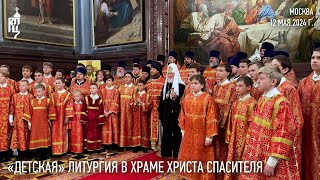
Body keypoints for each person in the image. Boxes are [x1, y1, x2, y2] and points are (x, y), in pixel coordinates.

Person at [239, 66, 297, 179]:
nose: (257, 81)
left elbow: (282, 133)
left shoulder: (281, 103)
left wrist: (272, 161)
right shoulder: (262, 98)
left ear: (273, 81)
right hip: (255, 153)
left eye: (261, 78)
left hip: (268, 156)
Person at [178, 74, 218, 180]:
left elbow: (211, 118)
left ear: (202, 85)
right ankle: (187, 175)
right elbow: (183, 114)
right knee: (188, 155)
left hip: (202, 134)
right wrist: (183, 130)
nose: (193, 85)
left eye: (196, 83)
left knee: (201, 156)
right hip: (188, 133)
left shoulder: (207, 98)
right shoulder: (187, 97)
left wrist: (209, 136)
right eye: (191, 83)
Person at [271, 56, 304, 179]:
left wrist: (289, 140)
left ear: (284, 70)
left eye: (275, 67)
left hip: (286, 138)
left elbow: (296, 117)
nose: (271, 69)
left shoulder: (288, 88)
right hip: (273, 135)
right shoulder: (274, 87)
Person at [225, 76, 257, 180]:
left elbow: (253, 126)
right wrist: (229, 137)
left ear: (248, 87)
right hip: (234, 139)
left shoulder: (253, 103)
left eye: (240, 86)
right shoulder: (236, 103)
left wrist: (249, 143)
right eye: (236, 86)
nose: (237, 88)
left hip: (245, 140)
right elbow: (230, 121)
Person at [298, 48, 320, 180]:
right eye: (313, 58)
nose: (315, 61)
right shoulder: (303, 82)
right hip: (307, 131)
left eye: (318, 58)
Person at [159, 63, 185, 158]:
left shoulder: (181, 86)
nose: (169, 75)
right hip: (166, 114)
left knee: (177, 133)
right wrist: (161, 114)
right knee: (166, 132)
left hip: (177, 114)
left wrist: (176, 98)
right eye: (168, 73)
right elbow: (161, 101)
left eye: (172, 73)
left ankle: (177, 153)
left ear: (176, 74)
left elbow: (183, 102)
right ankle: (166, 152)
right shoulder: (165, 86)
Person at [213, 64, 237, 163]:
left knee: (223, 148)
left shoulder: (232, 87)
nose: (217, 72)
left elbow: (232, 105)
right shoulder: (215, 87)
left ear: (227, 73)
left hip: (226, 123)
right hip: (214, 121)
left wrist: (223, 121)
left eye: (221, 71)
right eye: (217, 70)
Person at [26, 84, 56, 160]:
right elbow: (29, 112)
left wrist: (50, 119)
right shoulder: (32, 101)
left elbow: (51, 111)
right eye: (36, 92)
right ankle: (38, 154)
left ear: (44, 92)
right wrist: (29, 122)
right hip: (35, 123)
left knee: (45, 136)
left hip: (44, 123)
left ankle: (46, 153)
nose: (37, 93)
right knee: (36, 136)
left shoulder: (48, 101)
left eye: (39, 91)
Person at [9, 80, 33, 160]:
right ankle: (19, 154)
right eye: (20, 86)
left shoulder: (30, 96)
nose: (21, 87)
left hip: (26, 121)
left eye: (23, 85)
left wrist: (30, 121)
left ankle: (26, 153)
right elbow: (12, 107)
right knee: (18, 136)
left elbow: (31, 109)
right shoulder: (15, 96)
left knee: (26, 136)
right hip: (17, 121)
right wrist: (11, 117)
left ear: (28, 86)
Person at [51, 78, 74, 156]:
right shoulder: (53, 94)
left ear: (63, 84)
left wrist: (67, 117)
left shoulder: (68, 94)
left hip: (63, 116)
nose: (57, 85)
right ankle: (55, 150)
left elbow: (69, 106)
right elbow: (51, 106)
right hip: (55, 116)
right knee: (54, 133)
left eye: (59, 83)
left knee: (63, 132)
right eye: (56, 83)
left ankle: (63, 149)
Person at [146, 61, 165, 150]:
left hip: (158, 107)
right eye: (151, 69)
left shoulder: (163, 80)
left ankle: (159, 144)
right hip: (149, 107)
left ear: (158, 70)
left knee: (158, 126)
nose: (151, 71)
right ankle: (150, 144)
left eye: (153, 69)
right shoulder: (148, 81)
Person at [131, 79, 151, 152]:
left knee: (144, 129)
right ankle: (136, 145)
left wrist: (142, 103)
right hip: (136, 115)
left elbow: (149, 105)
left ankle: (144, 146)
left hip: (143, 115)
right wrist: (135, 103)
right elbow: (131, 104)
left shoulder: (147, 95)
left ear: (144, 86)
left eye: (141, 85)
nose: (139, 87)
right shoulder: (134, 95)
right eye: (138, 85)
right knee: (136, 128)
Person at [100, 75, 120, 151]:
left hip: (112, 112)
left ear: (112, 81)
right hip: (104, 112)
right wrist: (104, 111)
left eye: (110, 80)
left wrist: (110, 111)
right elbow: (101, 101)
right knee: (105, 128)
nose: (108, 82)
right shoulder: (102, 90)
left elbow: (116, 101)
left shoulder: (116, 90)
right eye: (107, 80)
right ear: (105, 82)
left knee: (113, 127)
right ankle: (105, 144)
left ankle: (113, 144)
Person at [0, 70, 16, 162]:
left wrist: (11, 115)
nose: (0, 79)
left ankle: (7, 153)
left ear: (6, 78)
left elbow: (13, 103)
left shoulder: (10, 88)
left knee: (7, 134)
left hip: (6, 115)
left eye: (1, 77)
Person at [84, 83, 104, 152]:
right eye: (90, 88)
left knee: (97, 133)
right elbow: (84, 109)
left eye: (93, 88)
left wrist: (100, 120)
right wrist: (85, 118)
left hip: (96, 119)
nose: (92, 90)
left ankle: (97, 147)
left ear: (97, 90)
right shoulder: (87, 98)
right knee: (89, 133)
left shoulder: (100, 99)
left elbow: (101, 110)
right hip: (89, 119)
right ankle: (89, 147)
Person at [118, 72, 135, 149]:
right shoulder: (120, 88)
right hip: (121, 110)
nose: (127, 78)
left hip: (130, 110)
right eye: (125, 77)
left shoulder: (134, 88)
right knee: (122, 125)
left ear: (132, 78)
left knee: (130, 125)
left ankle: (130, 143)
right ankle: (122, 143)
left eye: (128, 77)